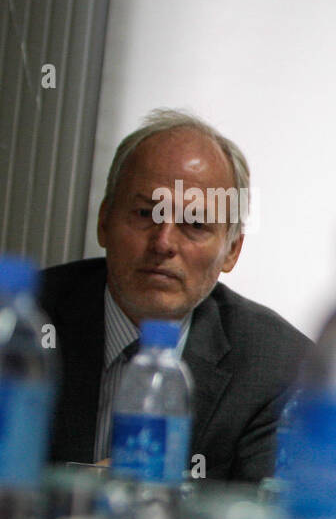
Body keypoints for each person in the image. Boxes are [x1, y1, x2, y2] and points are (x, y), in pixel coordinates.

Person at [40, 109, 312, 483]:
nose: (164, 242)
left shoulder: (278, 367)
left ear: (232, 250)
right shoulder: (25, 323)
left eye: (195, 225)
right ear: (104, 222)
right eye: (145, 214)